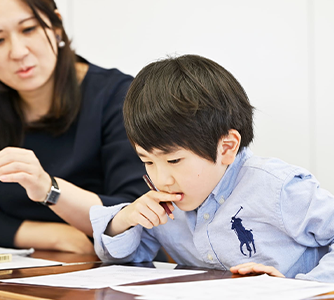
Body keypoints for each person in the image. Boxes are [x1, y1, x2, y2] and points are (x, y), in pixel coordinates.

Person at [90, 54, 334, 282]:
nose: (162, 178)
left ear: (226, 148)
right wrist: (123, 221)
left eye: (174, 161)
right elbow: (124, 261)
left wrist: (301, 288)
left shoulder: (278, 187)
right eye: (148, 161)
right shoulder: (166, 208)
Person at [0, 0, 148, 254]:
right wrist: (62, 237)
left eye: (29, 29)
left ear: (56, 26)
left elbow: (133, 211)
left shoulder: (117, 95)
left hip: (118, 270)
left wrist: (48, 188)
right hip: (32, 268)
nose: (18, 52)